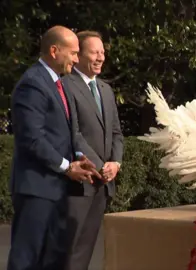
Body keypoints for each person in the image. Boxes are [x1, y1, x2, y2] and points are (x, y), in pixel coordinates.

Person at [7, 25, 101, 270]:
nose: (76, 59)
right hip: (37, 190)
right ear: (53, 50)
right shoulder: (33, 84)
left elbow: (66, 133)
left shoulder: (60, 84)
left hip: (56, 190)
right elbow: (32, 138)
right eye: (73, 53)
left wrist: (79, 157)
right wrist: (67, 166)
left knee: (51, 260)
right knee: (27, 260)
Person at [62, 30, 124, 270]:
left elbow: (117, 133)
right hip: (78, 185)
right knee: (68, 251)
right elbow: (73, 134)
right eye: (94, 52)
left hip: (102, 185)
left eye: (103, 52)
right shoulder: (66, 86)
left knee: (85, 252)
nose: (100, 57)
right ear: (79, 55)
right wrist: (100, 166)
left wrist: (115, 163)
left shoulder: (106, 90)